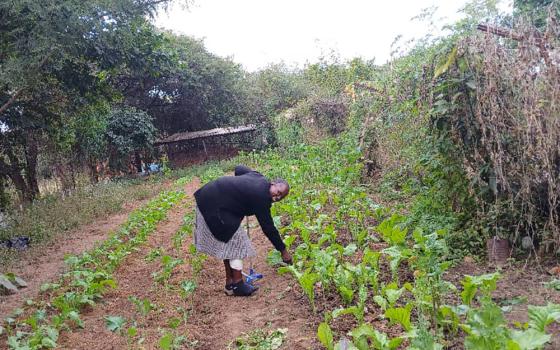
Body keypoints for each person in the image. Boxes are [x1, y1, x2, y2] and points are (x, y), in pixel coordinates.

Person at [193, 165, 292, 296]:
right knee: (238, 243)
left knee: (229, 242)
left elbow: (239, 169)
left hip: (209, 196)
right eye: (278, 192)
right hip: (214, 206)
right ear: (273, 183)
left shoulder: (259, 176)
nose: (276, 198)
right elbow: (268, 228)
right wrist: (283, 251)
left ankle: (230, 283)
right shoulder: (262, 197)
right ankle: (238, 285)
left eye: (280, 198)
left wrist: (239, 192)